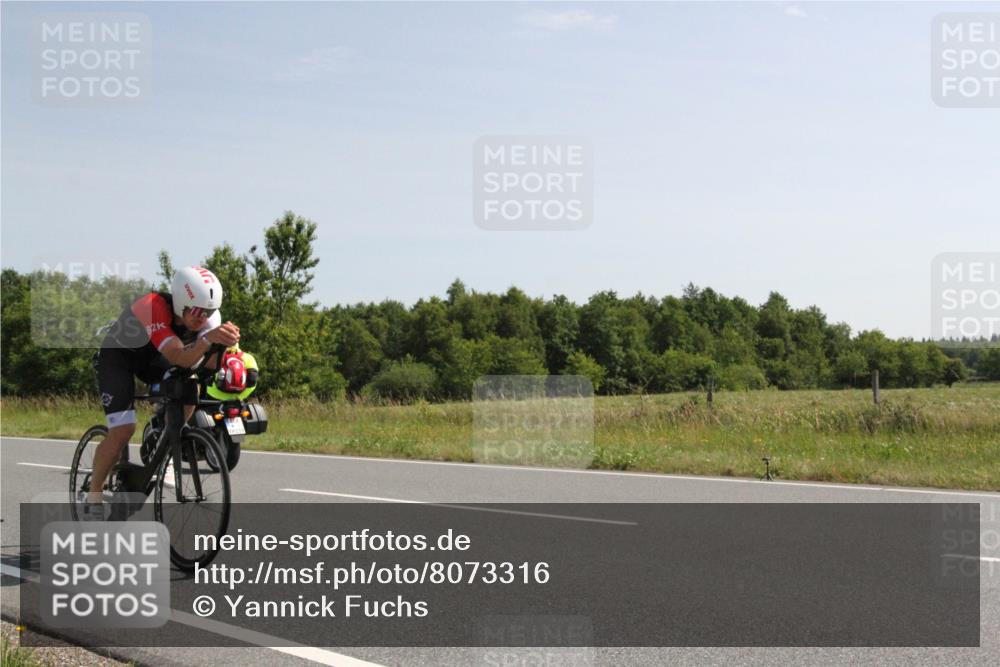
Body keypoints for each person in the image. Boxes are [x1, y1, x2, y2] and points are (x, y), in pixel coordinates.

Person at [86, 266, 240, 519]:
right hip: (119, 358)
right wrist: (209, 340)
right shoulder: (153, 306)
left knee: (190, 387)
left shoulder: (207, 319)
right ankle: (93, 497)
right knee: (123, 430)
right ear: (181, 301)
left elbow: (206, 362)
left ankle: (164, 445)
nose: (203, 318)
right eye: (197, 311)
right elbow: (180, 356)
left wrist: (230, 354)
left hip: (154, 359)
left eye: (209, 312)